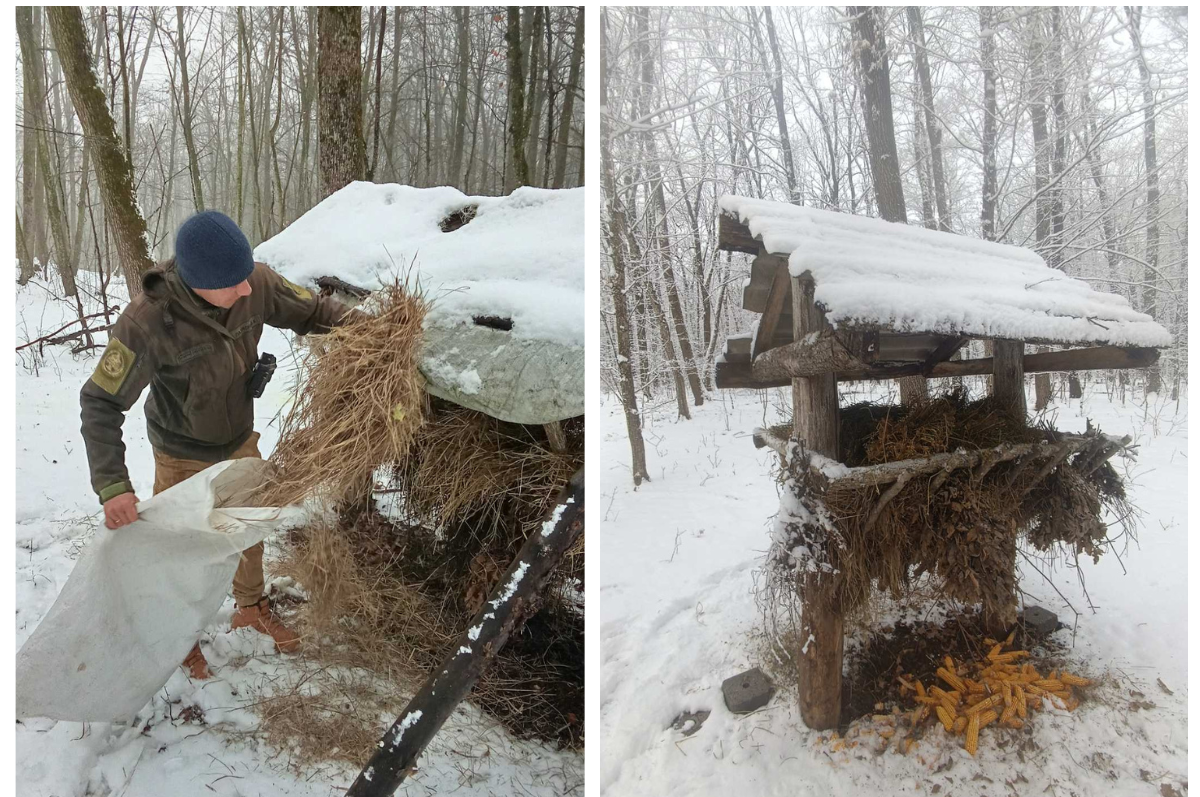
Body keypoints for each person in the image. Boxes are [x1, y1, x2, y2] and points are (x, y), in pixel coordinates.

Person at [80, 210, 347, 680]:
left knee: (248, 531)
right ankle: (178, 637)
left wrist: (377, 331)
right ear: (198, 283)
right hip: (179, 450)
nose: (245, 289)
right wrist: (112, 485)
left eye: (246, 276)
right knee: (181, 549)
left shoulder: (254, 282)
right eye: (232, 283)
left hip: (238, 438)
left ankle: (251, 608)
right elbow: (100, 403)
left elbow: (315, 313)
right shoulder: (146, 322)